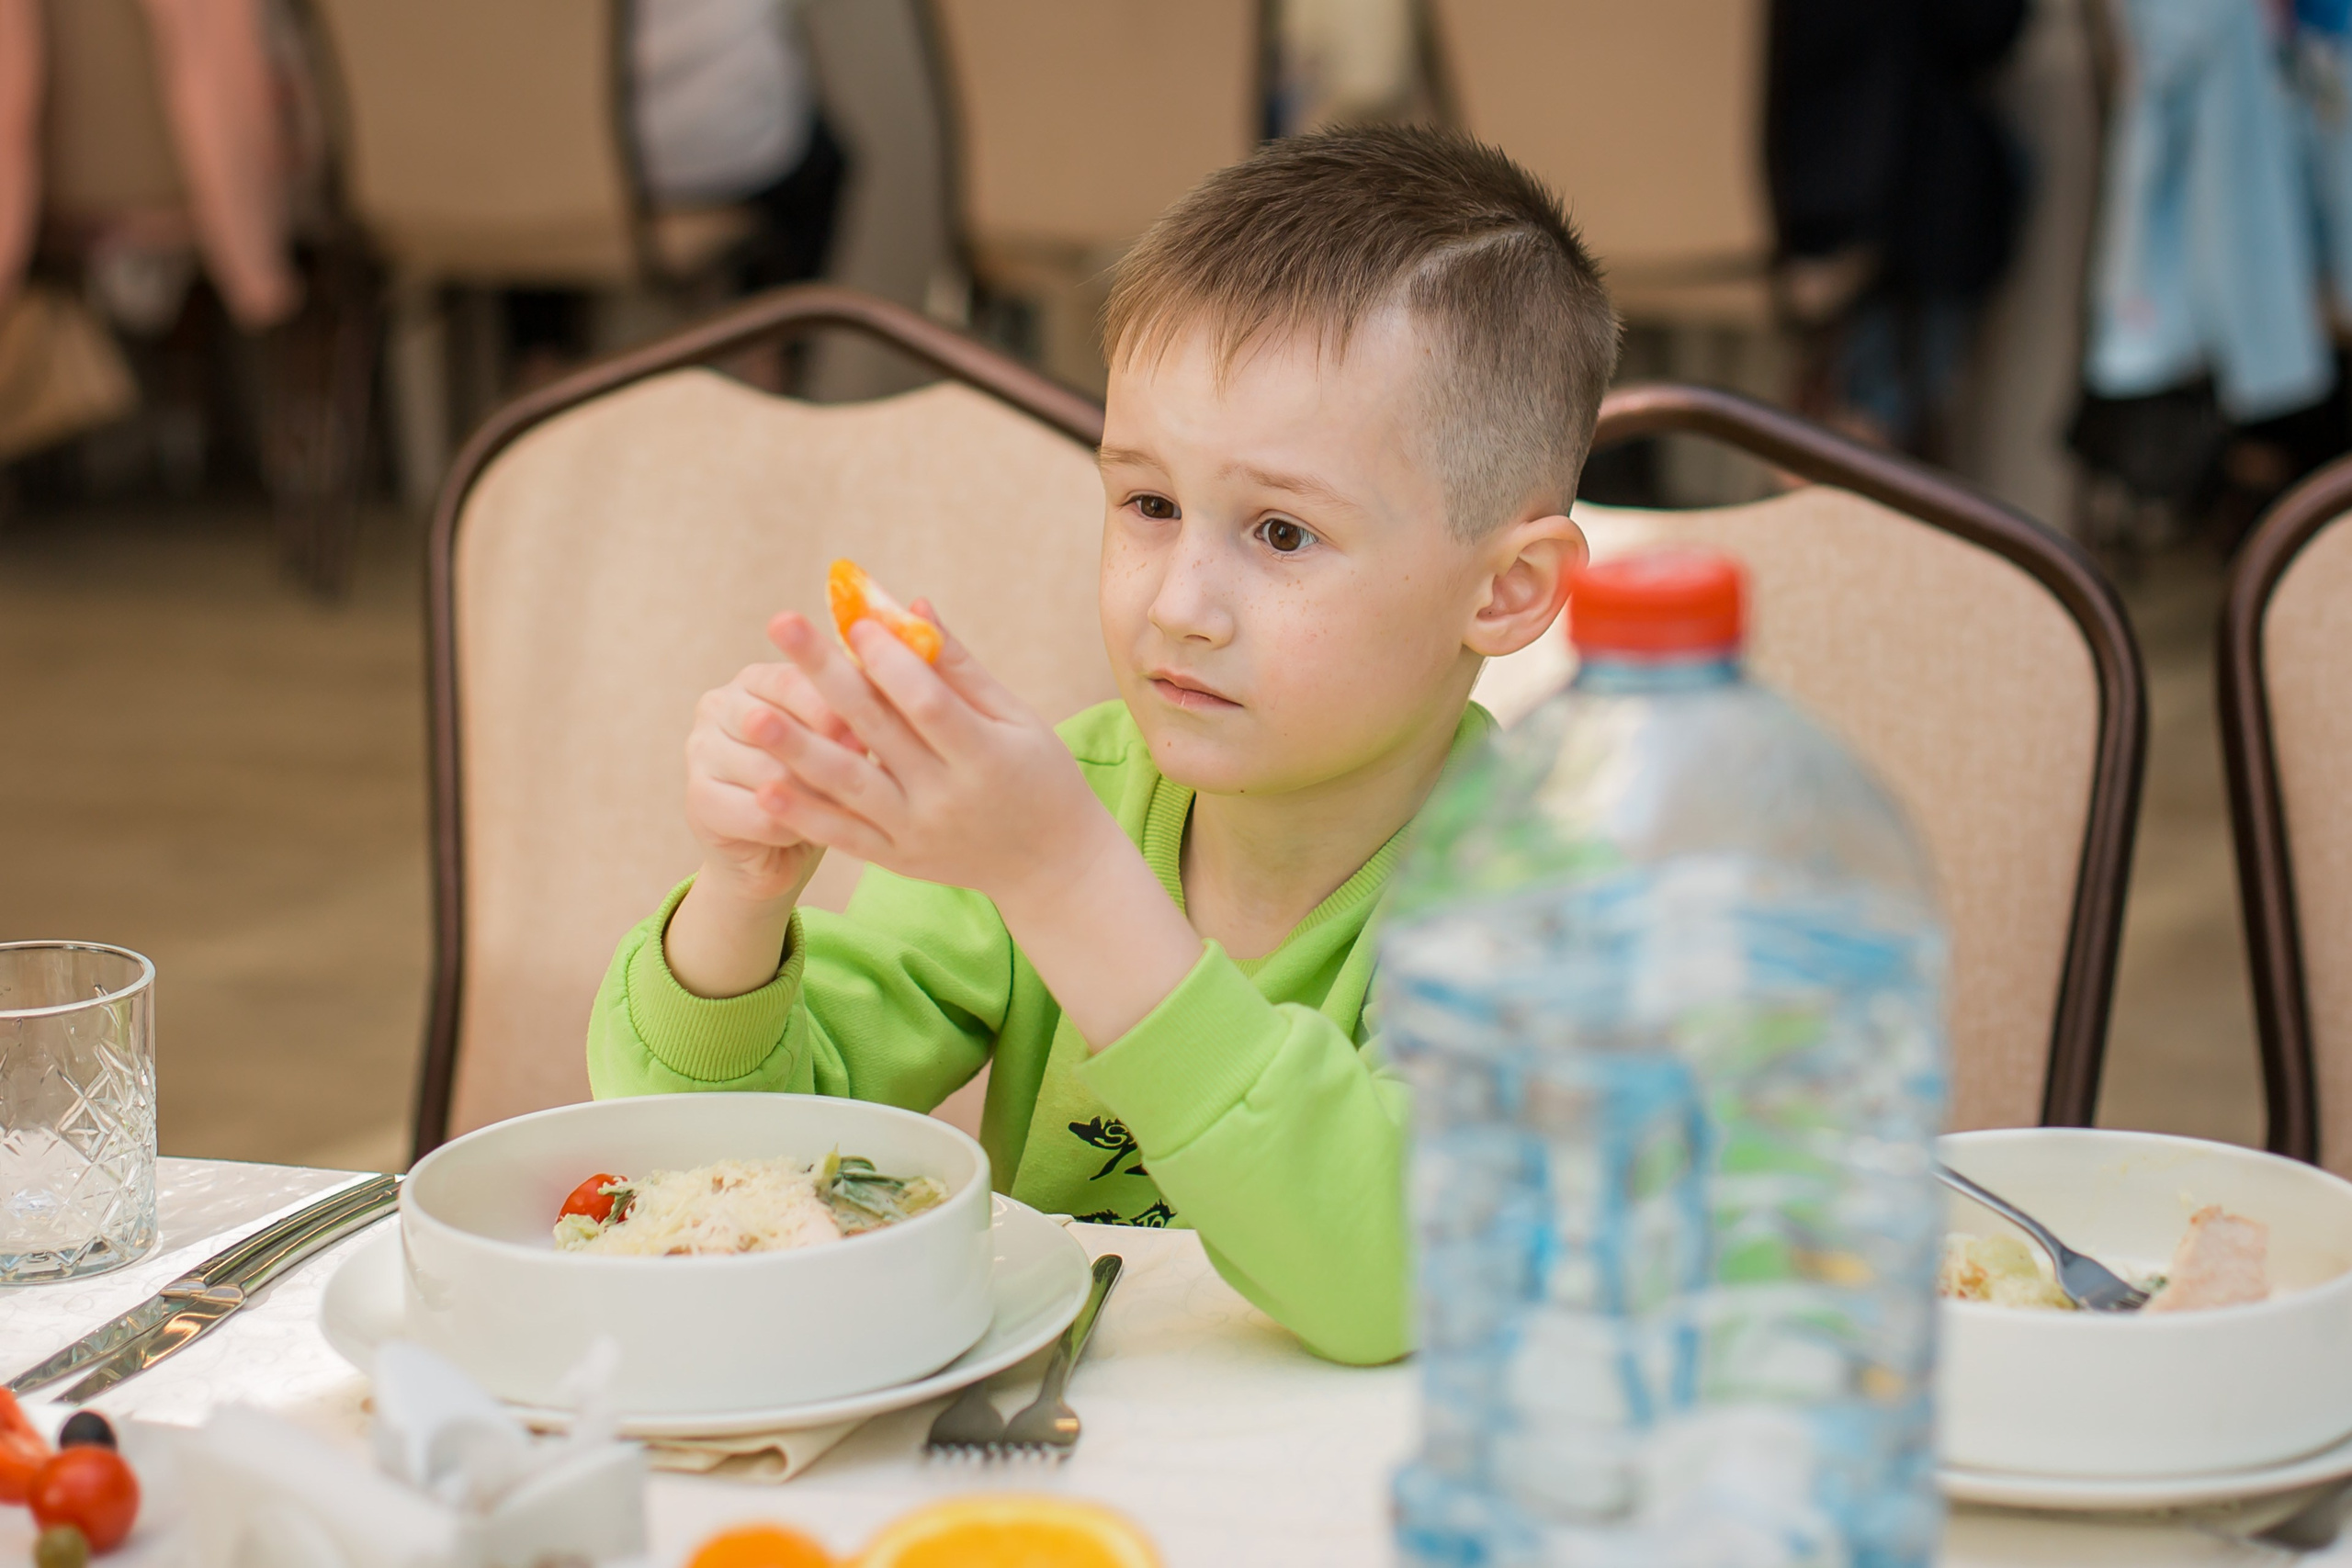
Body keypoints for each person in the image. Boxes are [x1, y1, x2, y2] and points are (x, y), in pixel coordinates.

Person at [585, 128, 1621, 1364]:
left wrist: (1067, 880)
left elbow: (1396, 1282)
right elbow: (726, 1168)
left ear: (1504, 592)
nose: (1179, 600)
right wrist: (741, 903)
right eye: (1148, 504)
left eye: (1282, 534)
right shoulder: (1059, 798)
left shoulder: (1542, 885)